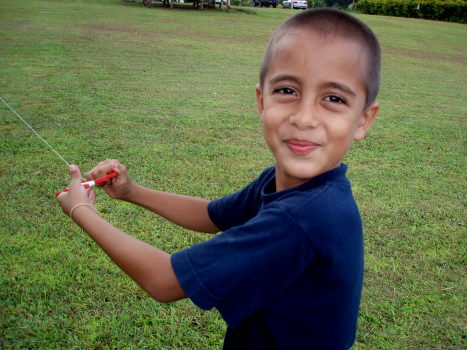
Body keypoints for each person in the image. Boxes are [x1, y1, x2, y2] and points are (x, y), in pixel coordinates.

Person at [57, 8, 380, 349]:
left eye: (333, 98)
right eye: (287, 90)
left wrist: (82, 211)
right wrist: (130, 191)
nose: (305, 117)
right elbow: (212, 215)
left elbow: (164, 281)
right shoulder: (288, 184)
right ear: (261, 100)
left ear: (363, 120)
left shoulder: (302, 218)